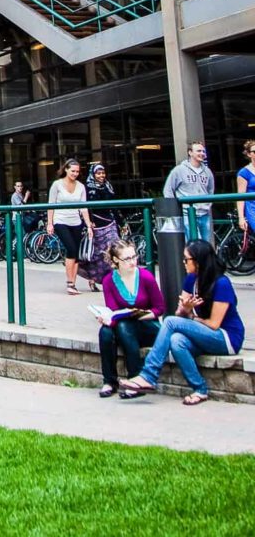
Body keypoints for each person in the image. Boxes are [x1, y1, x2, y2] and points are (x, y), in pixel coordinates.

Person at [120, 240, 245, 405]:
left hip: (227, 338)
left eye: (187, 259)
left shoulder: (222, 283)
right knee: (176, 341)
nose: (183, 263)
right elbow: (179, 314)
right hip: (205, 334)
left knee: (170, 322)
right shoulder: (191, 279)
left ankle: (148, 375)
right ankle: (200, 389)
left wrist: (190, 316)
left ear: (198, 261)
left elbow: (214, 324)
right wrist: (185, 310)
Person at [97, 240, 165, 398]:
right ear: (116, 260)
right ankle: (109, 381)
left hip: (147, 325)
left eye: (134, 257)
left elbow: (159, 308)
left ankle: (135, 377)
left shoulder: (146, 277)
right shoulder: (108, 281)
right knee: (105, 332)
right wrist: (107, 319)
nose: (133, 262)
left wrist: (141, 314)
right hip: (123, 325)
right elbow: (113, 310)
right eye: (127, 259)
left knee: (123, 326)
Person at [47, 159, 94, 295]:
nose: (75, 173)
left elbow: (83, 207)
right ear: (66, 170)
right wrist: (49, 223)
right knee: (71, 249)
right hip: (60, 221)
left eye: (77, 171)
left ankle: (73, 284)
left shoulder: (81, 186)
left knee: (76, 253)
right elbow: (50, 205)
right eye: (72, 171)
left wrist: (88, 225)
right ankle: (69, 283)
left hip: (76, 222)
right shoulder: (57, 185)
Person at [163, 141, 215, 245]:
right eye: (198, 151)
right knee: (195, 244)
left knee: (205, 245)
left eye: (203, 151)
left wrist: (208, 205)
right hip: (187, 213)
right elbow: (168, 190)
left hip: (204, 213)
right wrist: (175, 208)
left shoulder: (207, 171)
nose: (202, 153)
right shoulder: (179, 170)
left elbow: (210, 190)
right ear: (190, 152)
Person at [78, 163, 120, 292]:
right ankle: (93, 279)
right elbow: (86, 207)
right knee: (96, 255)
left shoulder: (108, 186)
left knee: (113, 250)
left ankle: (114, 280)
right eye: (98, 173)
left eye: (103, 173)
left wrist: (121, 221)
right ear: (93, 174)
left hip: (110, 223)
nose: (101, 175)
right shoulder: (87, 188)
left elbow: (113, 205)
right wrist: (89, 222)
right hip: (96, 225)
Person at [236, 139, 255, 234]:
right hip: (252, 208)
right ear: (249, 154)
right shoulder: (244, 173)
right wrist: (241, 217)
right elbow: (240, 197)